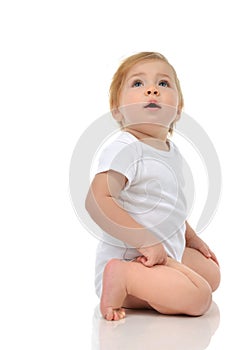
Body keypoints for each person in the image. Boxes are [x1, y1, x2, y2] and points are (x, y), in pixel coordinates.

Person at [85, 52, 220, 321]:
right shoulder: (126, 148)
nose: (151, 89)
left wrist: (190, 237)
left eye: (163, 84)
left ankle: (165, 277)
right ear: (117, 109)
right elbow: (97, 200)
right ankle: (124, 279)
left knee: (211, 273)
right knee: (199, 298)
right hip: (132, 260)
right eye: (137, 84)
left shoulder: (171, 152)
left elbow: (168, 205)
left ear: (178, 109)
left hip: (160, 255)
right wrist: (144, 240)